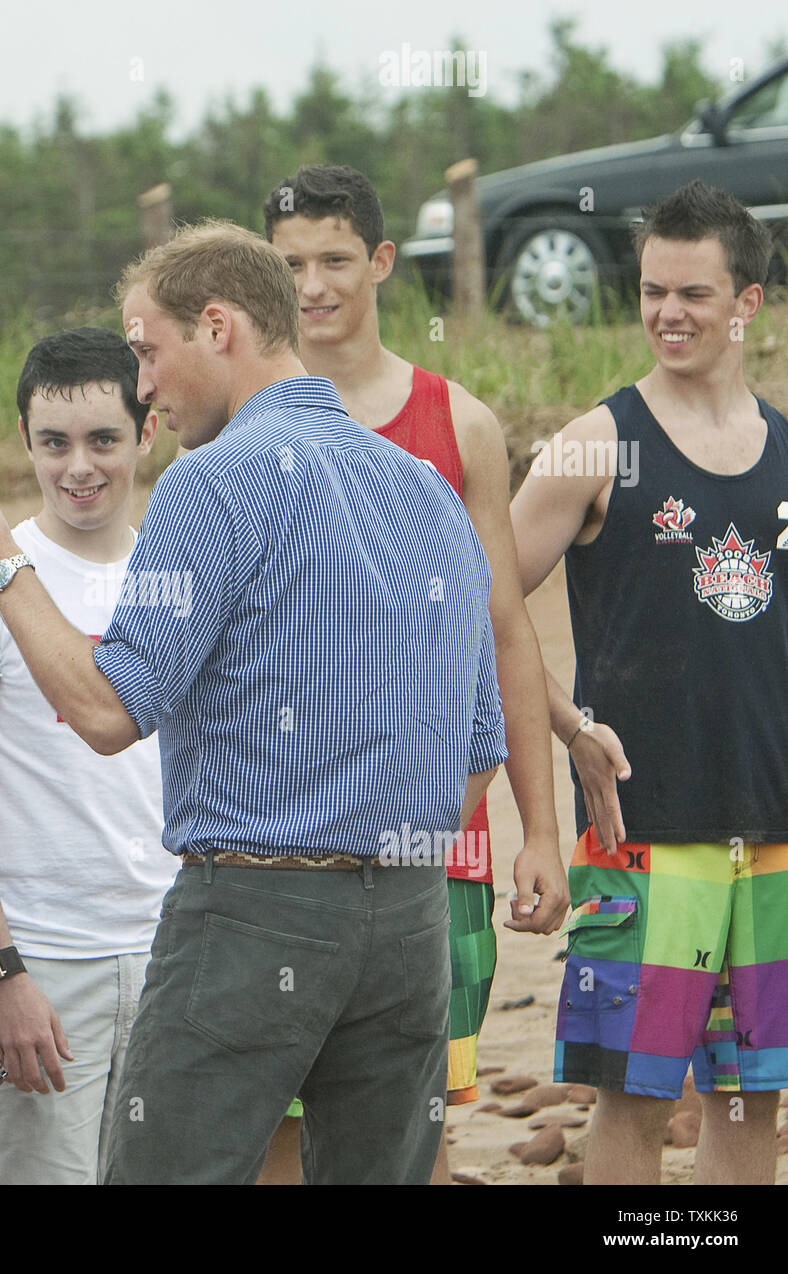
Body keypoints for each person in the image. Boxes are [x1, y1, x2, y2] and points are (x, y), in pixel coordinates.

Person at [0, 221, 507, 1184]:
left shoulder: (210, 481)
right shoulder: (425, 487)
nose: (143, 387)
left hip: (250, 911)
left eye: (146, 349)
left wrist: (0, 565)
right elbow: (477, 752)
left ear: (217, 327)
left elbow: (105, 713)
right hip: (413, 920)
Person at [262, 164, 568, 1181]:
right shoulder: (240, 427)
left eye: (334, 258)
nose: (312, 283)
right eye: (290, 262)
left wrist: (541, 828)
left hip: (442, 836)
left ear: (382, 261)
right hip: (287, 849)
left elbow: (504, 632)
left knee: (418, 1129)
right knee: (283, 1126)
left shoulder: (459, 423)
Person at [509, 180, 787, 1184]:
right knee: (630, 1095)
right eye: (652, 290)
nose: (667, 312)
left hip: (769, 833)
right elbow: (481, 601)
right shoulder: (596, 442)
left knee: (749, 1098)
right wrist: (570, 726)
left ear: (747, 302)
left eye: (693, 294)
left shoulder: (786, 449)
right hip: (642, 831)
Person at [0, 327, 174, 1184]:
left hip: (174, 952)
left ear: (147, 432)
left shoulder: (176, 573)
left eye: (103, 439)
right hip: (42, 962)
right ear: (23, 440)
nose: (78, 467)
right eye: (54, 443)